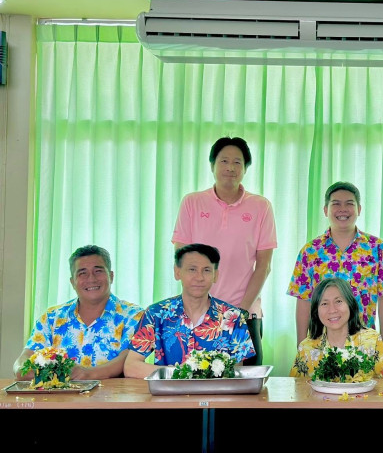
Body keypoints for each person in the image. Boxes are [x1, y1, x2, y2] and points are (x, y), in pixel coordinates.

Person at [172, 136, 278, 318]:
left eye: (237, 162)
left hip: (245, 310)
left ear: (245, 168)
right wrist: (199, 305)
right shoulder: (192, 202)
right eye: (224, 161)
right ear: (212, 165)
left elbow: (264, 266)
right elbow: (182, 259)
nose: (230, 167)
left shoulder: (262, 206)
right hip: (198, 310)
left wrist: (241, 311)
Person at [287, 181, 383, 354]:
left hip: (365, 344)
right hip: (320, 345)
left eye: (349, 204)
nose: (343, 209)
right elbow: (303, 300)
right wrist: (301, 347)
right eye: (336, 204)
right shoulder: (310, 251)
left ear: (359, 209)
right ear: (325, 210)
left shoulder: (376, 248)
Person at [13, 245, 143, 381]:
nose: (91, 279)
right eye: (82, 273)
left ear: (111, 276)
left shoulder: (134, 316)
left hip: (114, 394)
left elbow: (129, 359)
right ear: (72, 282)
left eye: (98, 271)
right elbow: (26, 357)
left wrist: (87, 374)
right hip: (59, 394)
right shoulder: (51, 318)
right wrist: (20, 369)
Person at [123, 243, 254, 379]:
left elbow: (235, 372)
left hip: (215, 392)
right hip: (169, 391)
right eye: (192, 269)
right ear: (177, 272)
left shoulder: (233, 317)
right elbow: (131, 367)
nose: (199, 277)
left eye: (207, 270)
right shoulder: (156, 314)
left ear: (216, 275)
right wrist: (180, 373)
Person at [290, 277, 383, 379]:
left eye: (338, 301)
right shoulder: (306, 347)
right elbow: (296, 387)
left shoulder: (372, 340)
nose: (332, 310)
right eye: (324, 303)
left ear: (350, 304)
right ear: (316, 311)